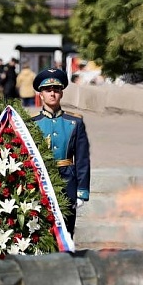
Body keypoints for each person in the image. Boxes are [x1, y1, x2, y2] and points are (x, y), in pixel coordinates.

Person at [31, 68, 90, 238]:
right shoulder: (31, 123)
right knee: (41, 231)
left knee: (66, 230)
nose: (52, 94)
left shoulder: (74, 122)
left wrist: (82, 191)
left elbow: (82, 159)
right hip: (40, 181)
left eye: (56, 90)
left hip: (67, 181)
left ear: (61, 94)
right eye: (48, 90)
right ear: (40, 94)